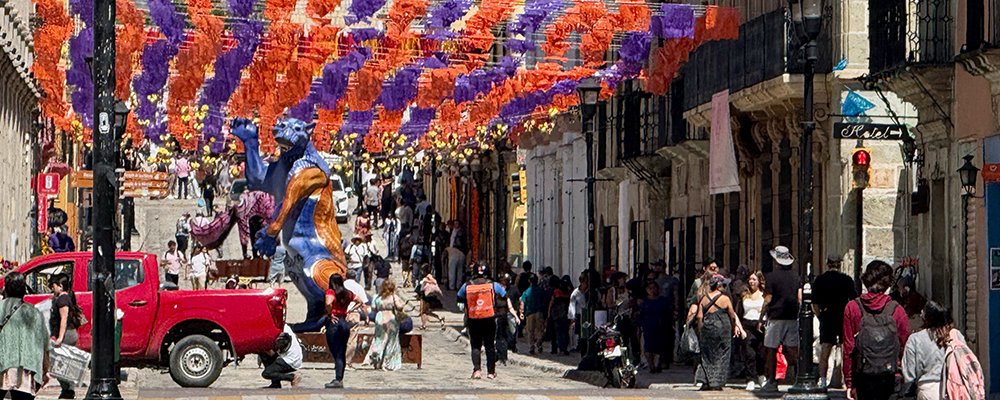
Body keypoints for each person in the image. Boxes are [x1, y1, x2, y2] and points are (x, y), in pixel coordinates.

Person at [842, 260, 910, 400]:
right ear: (888, 283)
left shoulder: (852, 307)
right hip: (890, 378)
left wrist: (849, 383)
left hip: (862, 378)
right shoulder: (897, 310)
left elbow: (848, 348)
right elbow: (904, 346)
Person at [0, 272, 51, 400]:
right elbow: (44, 344)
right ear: (24, 290)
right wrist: (45, 370)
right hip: (25, 370)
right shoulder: (34, 313)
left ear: (5, 289)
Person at [759, 246, 802, 393]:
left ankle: (772, 381)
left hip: (775, 317)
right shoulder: (796, 277)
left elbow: (768, 299)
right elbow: (799, 297)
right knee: (792, 349)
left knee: (771, 349)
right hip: (792, 316)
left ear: (776, 261)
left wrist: (761, 317)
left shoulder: (771, 277)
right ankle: (799, 375)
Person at [811, 255, 858, 388]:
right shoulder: (846, 280)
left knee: (825, 349)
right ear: (840, 264)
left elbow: (815, 304)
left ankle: (823, 380)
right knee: (845, 350)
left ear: (827, 264)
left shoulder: (820, 280)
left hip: (827, 316)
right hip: (843, 315)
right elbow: (853, 300)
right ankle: (845, 381)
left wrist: (820, 316)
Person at [902, 301, 964, 400]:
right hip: (954, 390)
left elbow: (909, 375)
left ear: (926, 317)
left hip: (928, 392)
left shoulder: (915, 339)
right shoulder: (956, 335)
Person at [695, 274, 747, 391]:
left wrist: (701, 330)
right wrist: (735, 327)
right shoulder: (725, 299)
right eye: (723, 284)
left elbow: (699, 317)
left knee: (707, 355)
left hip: (707, 329)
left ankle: (705, 381)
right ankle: (717, 382)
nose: (725, 286)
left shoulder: (704, 298)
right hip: (723, 329)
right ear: (719, 286)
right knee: (722, 355)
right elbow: (732, 315)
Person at [457, 265, 508, 379]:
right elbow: (504, 294)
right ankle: (490, 372)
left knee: (475, 346)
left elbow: (459, 298)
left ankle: (477, 370)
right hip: (489, 318)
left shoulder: (467, 285)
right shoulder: (493, 284)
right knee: (489, 345)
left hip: (473, 319)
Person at [324, 274, 369, 389]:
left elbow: (328, 303)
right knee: (342, 351)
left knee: (336, 352)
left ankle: (338, 378)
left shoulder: (331, 292)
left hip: (334, 322)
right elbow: (360, 301)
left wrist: (330, 314)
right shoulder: (348, 293)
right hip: (344, 321)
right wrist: (350, 310)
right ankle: (339, 377)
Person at [49, 273, 83, 399]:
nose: (52, 288)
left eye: (54, 286)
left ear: (61, 286)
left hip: (66, 335)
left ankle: (68, 389)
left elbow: (63, 319)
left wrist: (59, 338)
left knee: (58, 364)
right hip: (69, 334)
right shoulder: (65, 297)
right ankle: (68, 390)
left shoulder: (63, 300)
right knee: (64, 363)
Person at [367, 280, 405, 371]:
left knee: (379, 339)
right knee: (391, 341)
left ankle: (377, 358)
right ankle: (387, 363)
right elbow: (399, 307)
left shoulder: (377, 297)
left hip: (379, 317)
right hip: (390, 318)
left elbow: (373, 308)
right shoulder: (393, 297)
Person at [639, 281, 672, 373]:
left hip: (661, 327)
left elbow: (669, 314)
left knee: (659, 347)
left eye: (654, 288)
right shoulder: (644, 302)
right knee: (648, 347)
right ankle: (651, 366)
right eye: (650, 288)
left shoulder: (663, 301)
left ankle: (658, 364)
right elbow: (640, 315)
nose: (652, 290)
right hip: (648, 327)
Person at [496, 273, 519, 361]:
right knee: (499, 335)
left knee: (512, 332)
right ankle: (500, 354)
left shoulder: (512, 290)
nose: (504, 284)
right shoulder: (498, 292)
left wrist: (517, 315)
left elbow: (512, 305)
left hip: (509, 314)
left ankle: (511, 347)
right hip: (499, 316)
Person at [519, 275, 544, 354]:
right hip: (539, 312)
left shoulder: (527, 291)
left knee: (530, 331)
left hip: (530, 313)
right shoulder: (541, 290)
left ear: (529, 281)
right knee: (539, 330)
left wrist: (521, 312)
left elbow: (522, 302)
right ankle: (539, 343)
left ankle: (531, 347)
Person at [417, 264, 446, 330]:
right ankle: (438, 319)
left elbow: (434, 282)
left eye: (422, 270)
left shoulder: (428, 276)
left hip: (426, 295)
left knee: (423, 311)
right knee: (425, 311)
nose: (421, 272)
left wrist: (426, 280)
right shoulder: (426, 276)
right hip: (424, 294)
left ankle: (424, 325)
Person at [548, 276, 571, 355]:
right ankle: (563, 348)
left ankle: (558, 348)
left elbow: (551, 303)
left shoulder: (556, 292)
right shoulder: (567, 293)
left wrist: (549, 313)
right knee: (563, 332)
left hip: (557, 315)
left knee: (558, 333)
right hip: (563, 314)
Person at [568, 274, 588, 353]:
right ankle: (577, 346)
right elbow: (572, 305)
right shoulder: (575, 293)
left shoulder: (588, 292)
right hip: (579, 314)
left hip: (587, 314)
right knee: (579, 332)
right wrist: (572, 317)